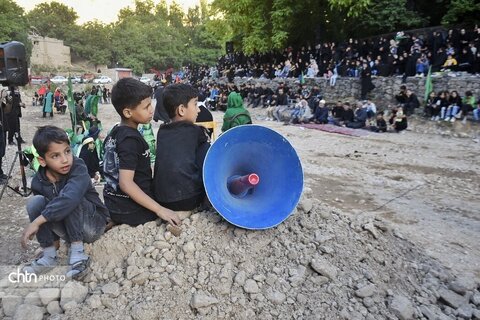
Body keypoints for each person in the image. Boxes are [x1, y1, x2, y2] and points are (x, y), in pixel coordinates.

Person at [20, 125, 110, 279]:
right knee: (35, 202)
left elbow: (70, 198)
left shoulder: (78, 166)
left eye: (67, 151)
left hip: (93, 225)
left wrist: (36, 222)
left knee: (69, 198)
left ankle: (78, 254)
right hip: (68, 229)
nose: (64, 160)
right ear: (42, 160)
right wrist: (52, 241)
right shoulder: (38, 182)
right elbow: (46, 213)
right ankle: (49, 257)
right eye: (55, 156)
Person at [102, 78, 181, 227]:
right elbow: (125, 183)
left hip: (114, 206)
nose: (152, 110)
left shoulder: (113, 134)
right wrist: (160, 210)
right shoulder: (130, 140)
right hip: (133, 211)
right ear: (128, 112)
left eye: (150, 104)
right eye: (146, 107)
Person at [153, 83, 211, 211]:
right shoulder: (197, 132)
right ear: (181, 110)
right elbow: (207, 165)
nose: (199, 110)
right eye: (195, 104)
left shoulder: (161, 132)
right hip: (188, 200)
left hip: (161, 199)